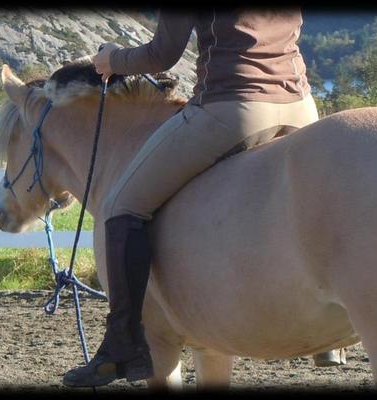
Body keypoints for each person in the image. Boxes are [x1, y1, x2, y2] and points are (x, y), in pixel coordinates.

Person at [63, 9, 343, 387]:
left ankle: (123, 345)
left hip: (232, 107)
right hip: (302, 106)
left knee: (120, 206)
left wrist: (112, 59)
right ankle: (328, 341)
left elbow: (162, 54)